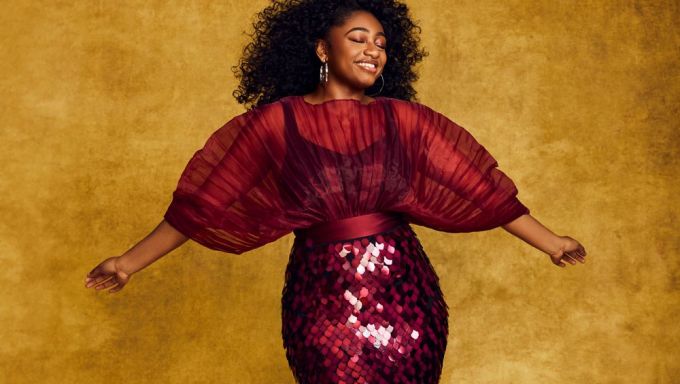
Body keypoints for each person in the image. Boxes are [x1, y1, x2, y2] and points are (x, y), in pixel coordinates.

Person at [84, 1, 587, 383]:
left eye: (383, 42)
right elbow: (202, 206)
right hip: (318, 301)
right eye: (359, 38)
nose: (374, 50)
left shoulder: (405, 119)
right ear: (323, 48)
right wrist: (127, 263)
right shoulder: (273, 124)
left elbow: (482, 189)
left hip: (406, 296)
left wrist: (552, 242)